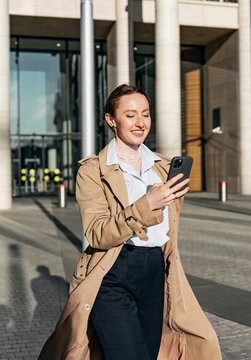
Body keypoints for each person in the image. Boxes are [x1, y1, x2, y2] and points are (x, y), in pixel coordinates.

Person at [39, 84, 221, 360]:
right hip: (111, 271)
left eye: (145, 115)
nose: (140, 123)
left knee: (149, 354)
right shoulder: (92, 171)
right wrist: (147, 204)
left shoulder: (162, 166)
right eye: (131, 115)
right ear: (111, 120)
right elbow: (98, 234)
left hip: (155, 269)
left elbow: (169, 229)